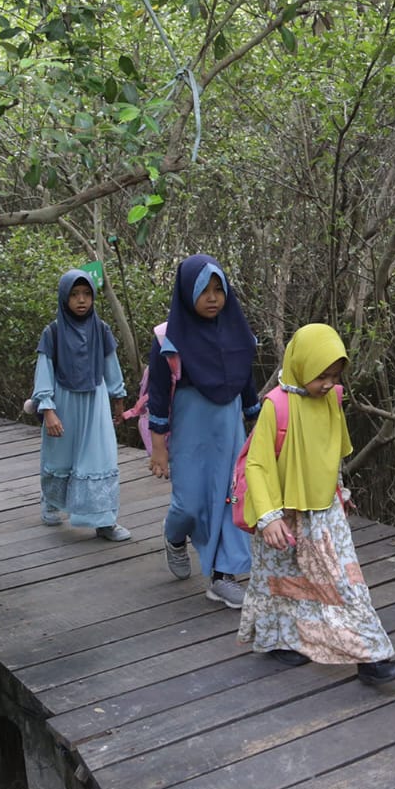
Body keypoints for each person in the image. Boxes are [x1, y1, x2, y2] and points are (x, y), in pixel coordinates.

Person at [236, 323, 395, 686]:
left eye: (334, 375)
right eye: (321, 375)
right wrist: (268, 517)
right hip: (282, 514)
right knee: (279, 580)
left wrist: (339, 490)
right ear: (301, 365)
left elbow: (333, 452)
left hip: (323, 512)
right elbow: (259, 465)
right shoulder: (276, 406)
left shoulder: (332, 399)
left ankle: (371, 654)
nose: (328, 383)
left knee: (345, 581)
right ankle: (281, 638)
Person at [146, 254, 260, 609]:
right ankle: (174, 535)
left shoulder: (237, 332)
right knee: (190, 504)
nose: (213, 298)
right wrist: (159, 449)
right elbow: (160, 398)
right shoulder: (168, 339)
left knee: (232, 499)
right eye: (203, 290)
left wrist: (258, 425)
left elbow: (246, 383)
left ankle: (223, 577)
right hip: (190, 432)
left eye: (218, 290)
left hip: (229, 431)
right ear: (185, 292)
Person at [33, 269, 130, 542]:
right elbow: (45, 371)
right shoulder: (52, 332)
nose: (81, 300)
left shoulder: (101, 329)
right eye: (74, 294)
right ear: (64, 298)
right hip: (64, 402)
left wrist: (118, 400)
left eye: (86, 294)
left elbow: (112, 367)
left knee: (100, 458)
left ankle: (105, 521)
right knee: (60, 456)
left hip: (95, 401)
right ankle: (51, 502)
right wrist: (48, 410)